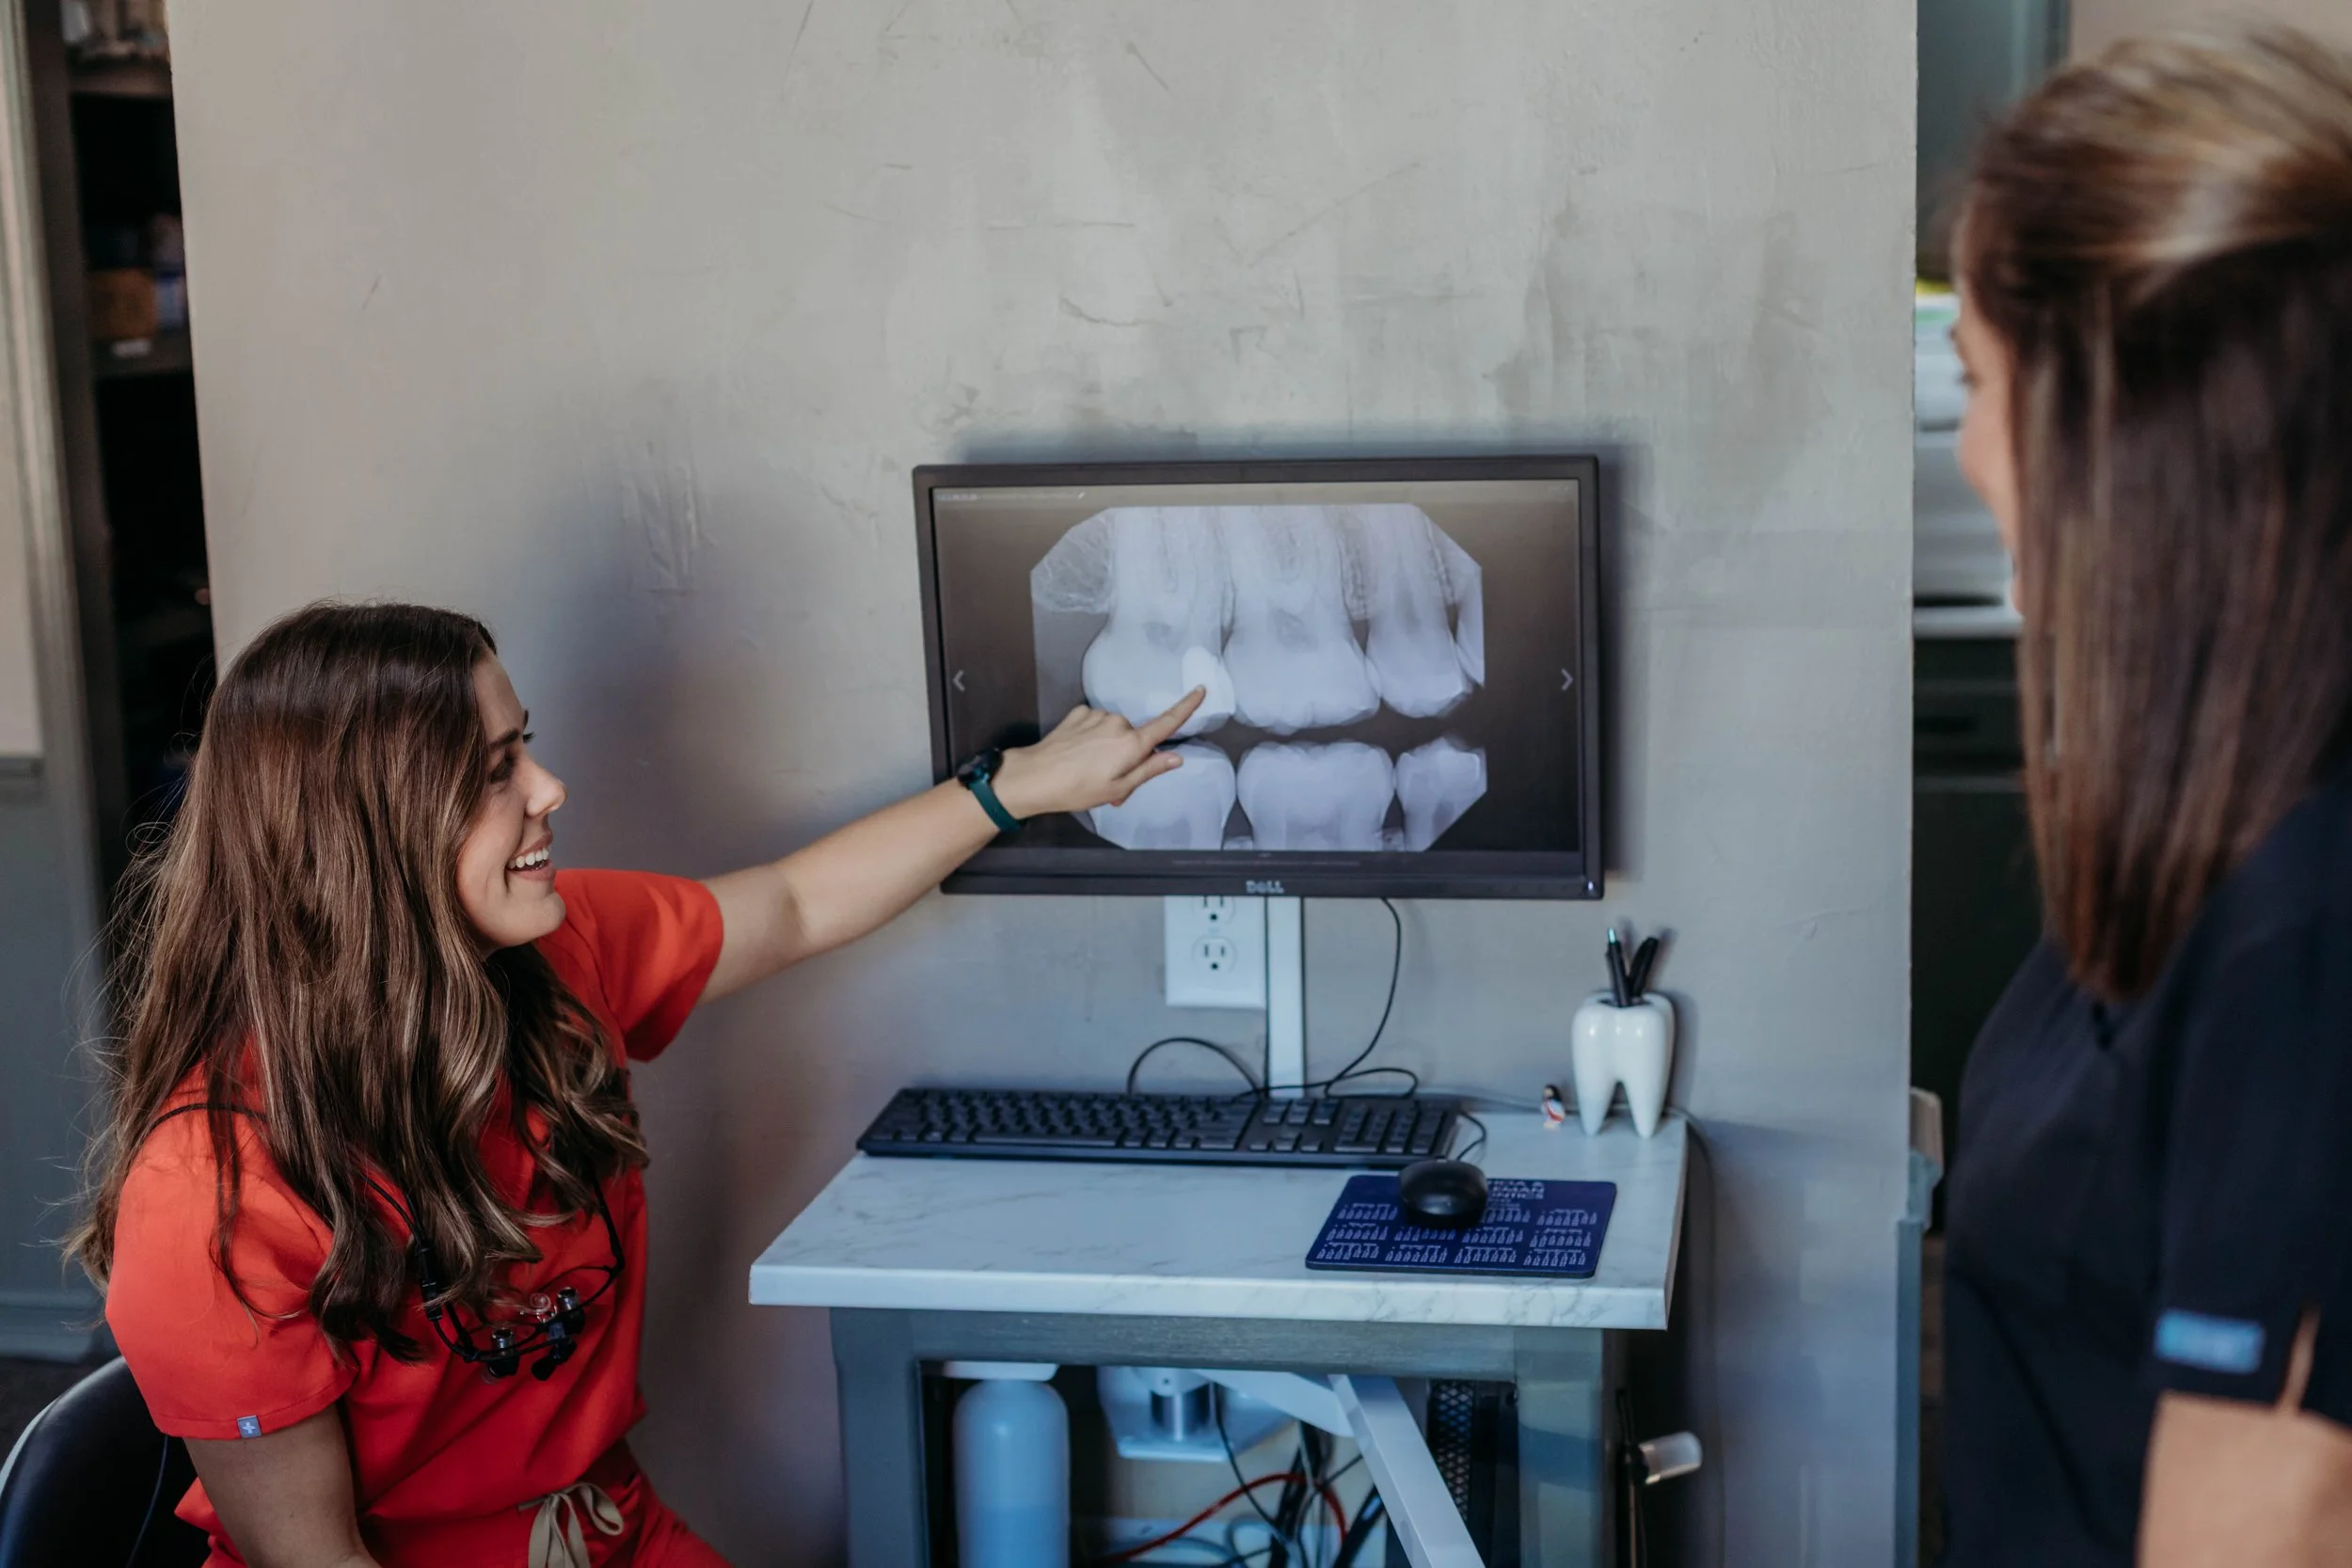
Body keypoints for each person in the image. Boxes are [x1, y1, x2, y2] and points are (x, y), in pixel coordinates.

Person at [70, 600, 1203, 1568]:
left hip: (602, 1529)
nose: (551, 787)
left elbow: (795, 903)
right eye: (495, 771)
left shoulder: (550, 961)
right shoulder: (214, 1187)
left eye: (527, 745)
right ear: (363, 834)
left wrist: (1018, 787)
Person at [1940, 24, 2352, 1565]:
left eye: (1978, 378)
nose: (1975, 445)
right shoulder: (2214, 817)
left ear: (2114, 434)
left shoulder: (2305, 942)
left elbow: (2274, 1523)